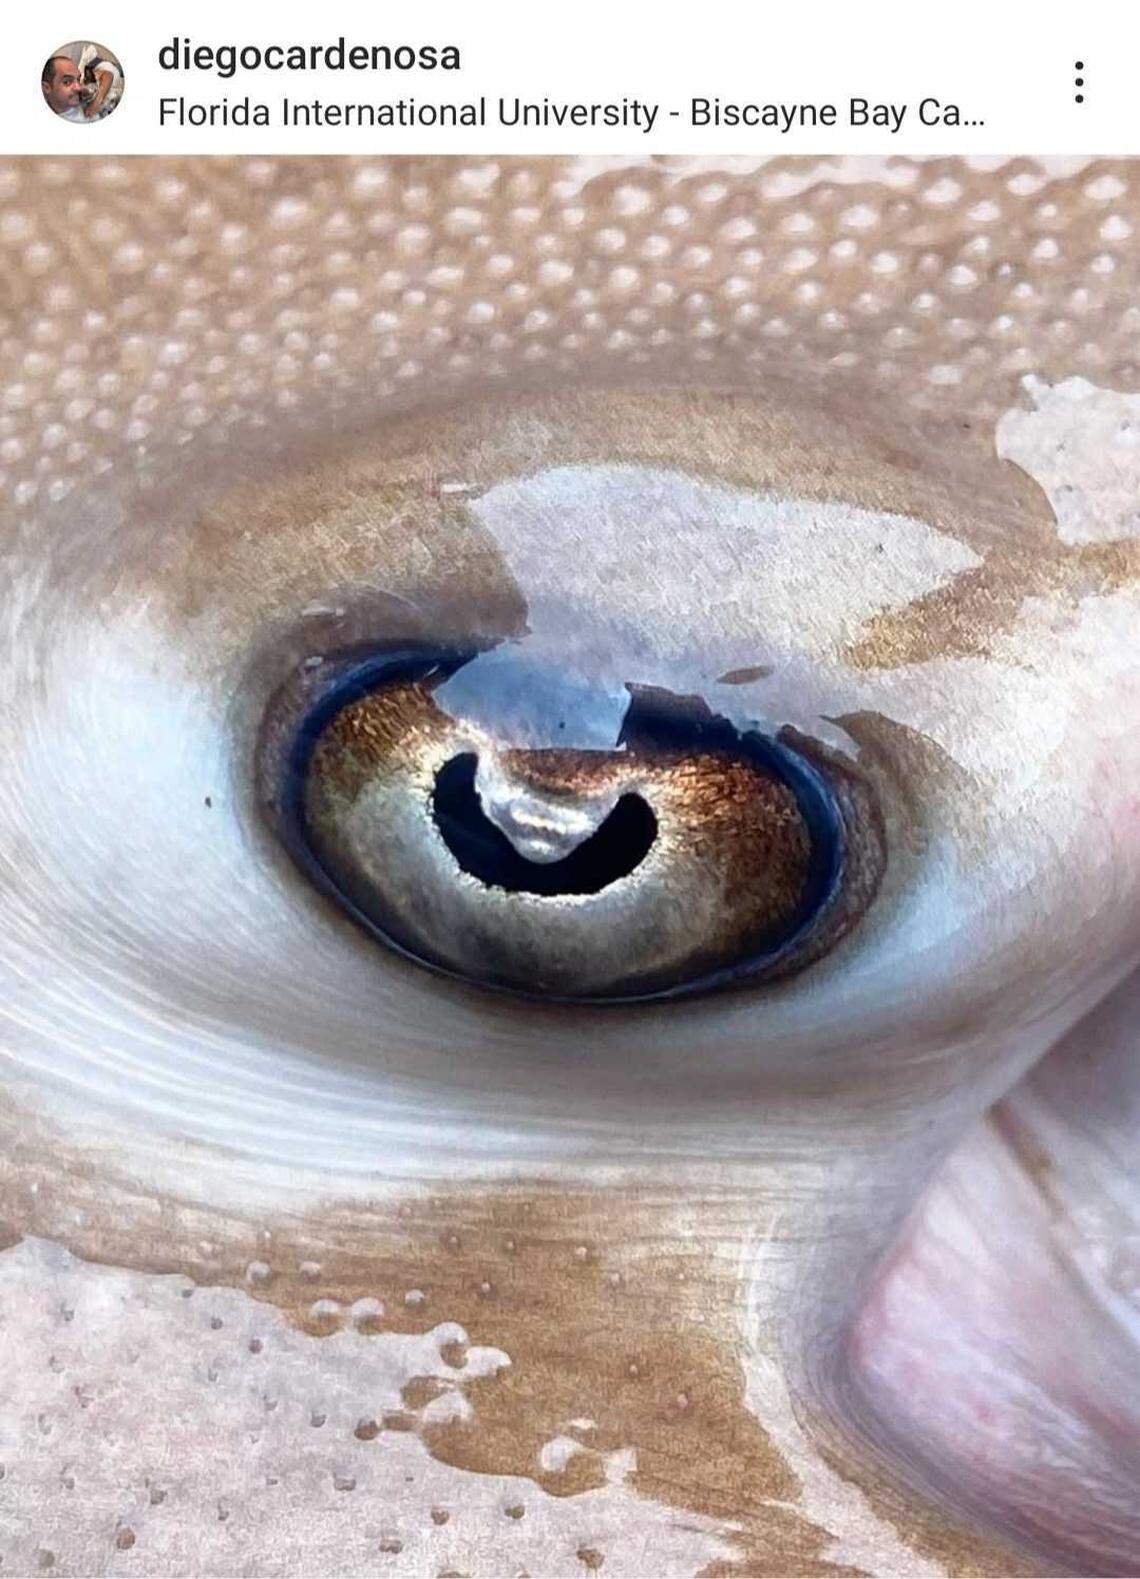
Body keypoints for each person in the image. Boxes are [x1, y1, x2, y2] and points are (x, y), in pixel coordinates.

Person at [40, 53, 86, 120]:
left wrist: (97, 101)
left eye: (78, 79)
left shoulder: (84, 98)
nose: (79, 88)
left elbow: (106, 72)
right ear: (46, 87)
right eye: (67, 82)